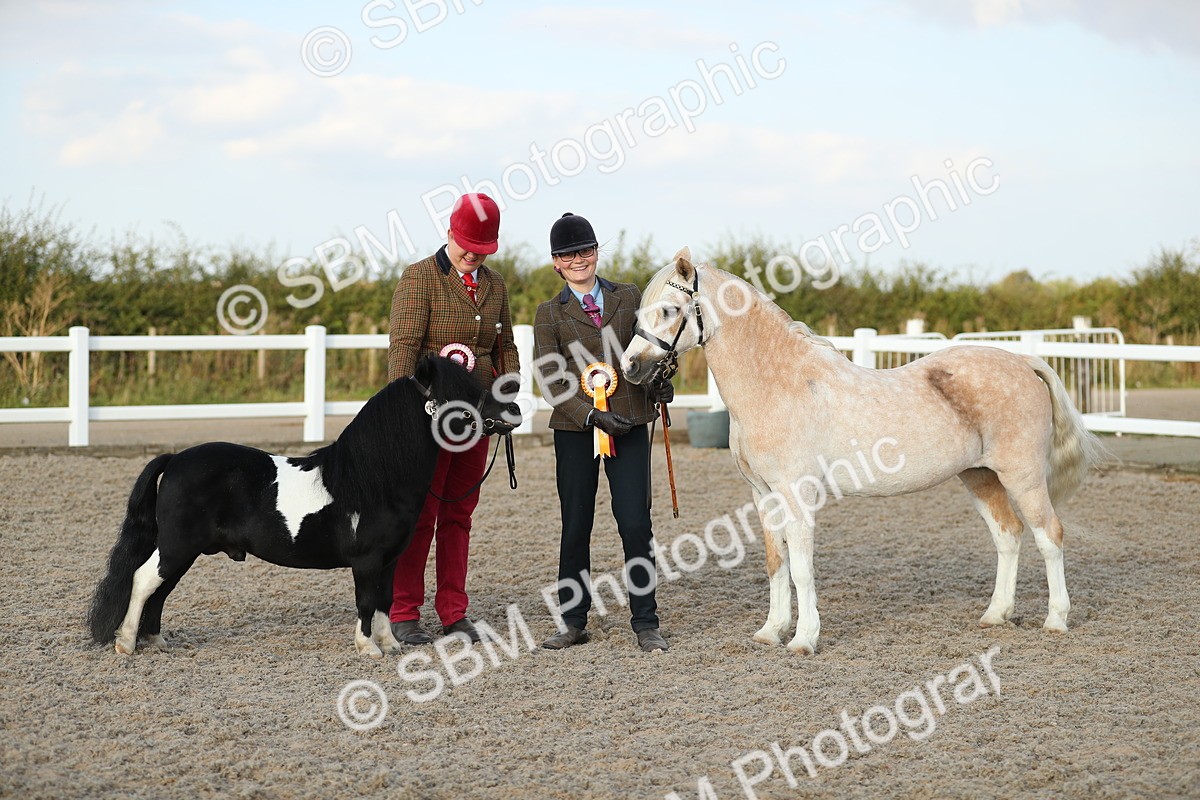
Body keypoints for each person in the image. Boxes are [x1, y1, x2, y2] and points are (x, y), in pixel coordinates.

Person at [532, 212, 674, 653]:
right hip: (576, 430)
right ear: (557, 262)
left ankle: (646, 621)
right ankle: (573, 621)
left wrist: (663, 381)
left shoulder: (629, 296)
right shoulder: (549, 314)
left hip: (630, 422)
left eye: (586, 251)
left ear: (597, 252)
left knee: (635, 523)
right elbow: (551, 378)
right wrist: (591, 416)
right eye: (569, 255)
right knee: (576, 525)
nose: (579, 260)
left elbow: (651, 347)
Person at [387, 192, 519, 644]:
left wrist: (508, 391)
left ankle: (453, 611)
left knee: (459, 513)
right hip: (428, 415)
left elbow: (505, 347)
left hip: (476, 414)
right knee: (421, 513)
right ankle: (403, 610)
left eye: (481, 250)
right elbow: (403, 348)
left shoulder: (496, 285)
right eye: (466, 245)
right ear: (449, 232)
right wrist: (403, 412)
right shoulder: (419, 278)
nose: (472, 255)